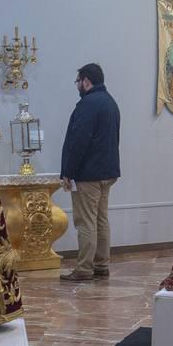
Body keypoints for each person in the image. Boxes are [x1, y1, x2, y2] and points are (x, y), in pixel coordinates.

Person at [60, 63, 121, 281]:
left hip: (88, 174)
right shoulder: (111, 102)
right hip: (108, 172)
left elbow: (79, 141)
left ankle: (84, 268)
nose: (77, 85)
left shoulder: (87, 104)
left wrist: (68, 171)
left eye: (78, 81)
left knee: (85, 221)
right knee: (101, 219)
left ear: (86, 81)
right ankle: (101, 265)